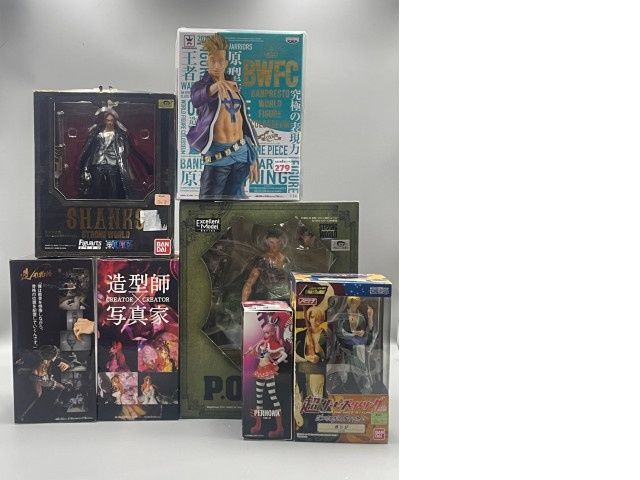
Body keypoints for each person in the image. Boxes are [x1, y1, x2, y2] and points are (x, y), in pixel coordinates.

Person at [186, 33, 259, 199]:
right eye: (212, 61)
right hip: (218, 157)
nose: (217, 65)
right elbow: (196, 99)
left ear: (226, 63)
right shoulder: (201, 87)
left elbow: (242, 124)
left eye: (220, 61)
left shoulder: (234, 88)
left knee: (235, 205)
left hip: (241, 155)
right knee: (208, 205)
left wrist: (252, 156)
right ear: (207, 63)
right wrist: (215, 86)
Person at [78, 107, 153, 199]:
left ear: (115, 121)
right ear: (104, 121)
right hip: (97, 166)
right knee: (96, 193)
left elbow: (133, 150)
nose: (110, 122)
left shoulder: (121, 135)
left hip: (114, 167)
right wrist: (84, 169)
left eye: (111, 120)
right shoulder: (95, 134)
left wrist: (147, 165)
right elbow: (87, 152)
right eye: (108, 120)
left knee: (114, 193)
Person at [245, 322, 287, 438]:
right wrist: (253, 353)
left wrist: (276, 363)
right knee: (258, 396)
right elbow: (261, 357)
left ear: (272, 332)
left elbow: (284, 355)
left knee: (272, 396)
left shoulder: (272, 343)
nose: (266, 334)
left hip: (268, 370)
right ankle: (258, 425)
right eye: (265, 333)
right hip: (260, 370)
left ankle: (280, 428)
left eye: (268, 332)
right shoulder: (263, 342)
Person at [331, 297, 375, 394]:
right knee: (346, 369)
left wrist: (370, 317)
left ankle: (364, 387)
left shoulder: (362, 316)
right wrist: (352, 334)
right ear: (348, 303)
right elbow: (339, 332)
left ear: (358, 304)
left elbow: (369, 333)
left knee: (360, 368)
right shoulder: (343, 316)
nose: (353, 305)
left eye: (355, 303)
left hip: (359, 347)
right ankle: (347, 386)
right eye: (351, 303)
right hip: (345, 347)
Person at [15, 345, 71, 421]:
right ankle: (22, 414)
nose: (54, 358)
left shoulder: (55, 358)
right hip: (36, 379)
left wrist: (68, 365)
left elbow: (70, 363)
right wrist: (20, 360)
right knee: (38, 394)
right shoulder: (36, 355)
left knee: (62, 387)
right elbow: (23, 353)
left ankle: (56, 400)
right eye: (54, 356)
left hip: (46, 380)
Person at [242, 228, 291, 303]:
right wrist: (244, 302)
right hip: (271, 300)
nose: (275, 246)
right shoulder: (262, 261)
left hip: (288, 298)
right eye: (272, 242)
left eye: (278, 242)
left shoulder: (286, 260)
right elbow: (249, 283)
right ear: (267, 242)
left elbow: (292, 280)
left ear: (282, 242)